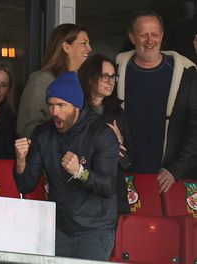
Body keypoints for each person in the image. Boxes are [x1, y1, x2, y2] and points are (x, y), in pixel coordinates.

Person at [13, 71, 118, 261]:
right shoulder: (43, 133)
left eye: (61, 105)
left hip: (95, 229)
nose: (54, 112)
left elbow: (107, 186)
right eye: (51, 105)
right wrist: (21, 160)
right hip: (59, 227)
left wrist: (80, 172)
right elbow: (25, 185)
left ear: (76, 106)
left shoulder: (101, 133)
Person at [116, 10, 197, 194]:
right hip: (125, 177)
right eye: (143, 35)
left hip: (170, 180)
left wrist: (175, 171)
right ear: (131, 37)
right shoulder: (116, 71)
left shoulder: (186, 73)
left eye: (154, 34)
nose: (150, 41)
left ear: (162, 36)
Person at [17, 23, 92, 138]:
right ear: (67, 47)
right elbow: (26, 127)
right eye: (84, 43)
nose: (89, 48)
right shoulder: (42, 79)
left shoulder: (84, 81)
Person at [78, 54, 132, 215]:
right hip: (82, 189)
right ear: (89, 78)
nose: (111, 81)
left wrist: (120, 142)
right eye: (105, 76)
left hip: (112, 192)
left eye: (114, 76)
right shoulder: (75, 109)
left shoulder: (117, 111)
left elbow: (129, 158)